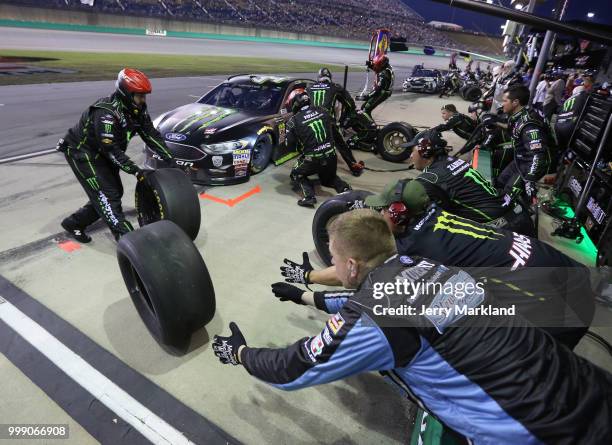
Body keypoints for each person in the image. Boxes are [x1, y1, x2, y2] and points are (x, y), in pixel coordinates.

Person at [214, 209, 612, 445]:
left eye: (334, 260)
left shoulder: (376, 313)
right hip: (586, 386)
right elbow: (373, 306)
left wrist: (241, 354)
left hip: (536, 428)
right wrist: (304, 296)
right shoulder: (431, 269)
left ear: (352, 265)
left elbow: (297, 366)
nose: (332, 268)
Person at [281, 179, 594, 349]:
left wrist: (308, 275)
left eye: (385, 210)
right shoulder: (435, 217)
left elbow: (349, 276)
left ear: (401, 213)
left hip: (557, 305)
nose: (380, 215)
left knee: (508, 362)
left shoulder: (417, 247)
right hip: (567, 275)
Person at [57, 68, 175, 242]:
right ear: (126, 93)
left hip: (101, 153)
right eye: (139, 95)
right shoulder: (106, 114)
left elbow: (151, 135)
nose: (143, 100)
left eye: (144, 96)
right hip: (82, 153)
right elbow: (111, 150)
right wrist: (136, 171)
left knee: (114, 191)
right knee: (108, 195)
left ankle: (74, 223)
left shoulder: (137, 110)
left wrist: (171, 160)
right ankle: (128, 238)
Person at [404, 130, 533, 235]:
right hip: (519, 213)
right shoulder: (452, 160)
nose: (410, 156)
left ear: (423, 151)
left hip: (501, 229)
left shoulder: (429, 179)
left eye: (412, 151)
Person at [286, 90, 350, 208]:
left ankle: (309, 197)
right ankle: (346, 189)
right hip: (331, 155)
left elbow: (289, 144)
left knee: (296, 174)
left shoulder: (292, 121)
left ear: (295, 104)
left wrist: (301, 147)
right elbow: (335, 130)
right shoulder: (323, 111)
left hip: (313, 159)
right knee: (329, 179)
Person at [490, 84, 551, 201]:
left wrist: (530, 178)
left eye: (505, 101)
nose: (502, 104)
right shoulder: (522, 113)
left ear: (515, 102)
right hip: (520, 159)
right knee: (499, 182)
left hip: (530, 164)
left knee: (508, 197)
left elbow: (538, 154)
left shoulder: (529, 124)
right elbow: (514, 129)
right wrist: (495, 122)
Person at [306, 68, 365, 176]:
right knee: (341, 145)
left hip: (308, 122)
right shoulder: (335, 87)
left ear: (318, 78)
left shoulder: (309, 87)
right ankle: (355, 168)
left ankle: (306, 169)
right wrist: (343, 120)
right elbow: (350, 104)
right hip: (328, 122)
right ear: (330, 78)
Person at [360, 54, 394, 118]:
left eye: (377, 64)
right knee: (364, 107)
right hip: (384, 91)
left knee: (365, 110)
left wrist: (368, 96)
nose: (376, 66)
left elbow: (378, 90)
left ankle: (371, 126)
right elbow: (378, 69)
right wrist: (370, 65)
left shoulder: (384, 74)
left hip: (382, 93)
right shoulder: (387, 68)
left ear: (382, 64)